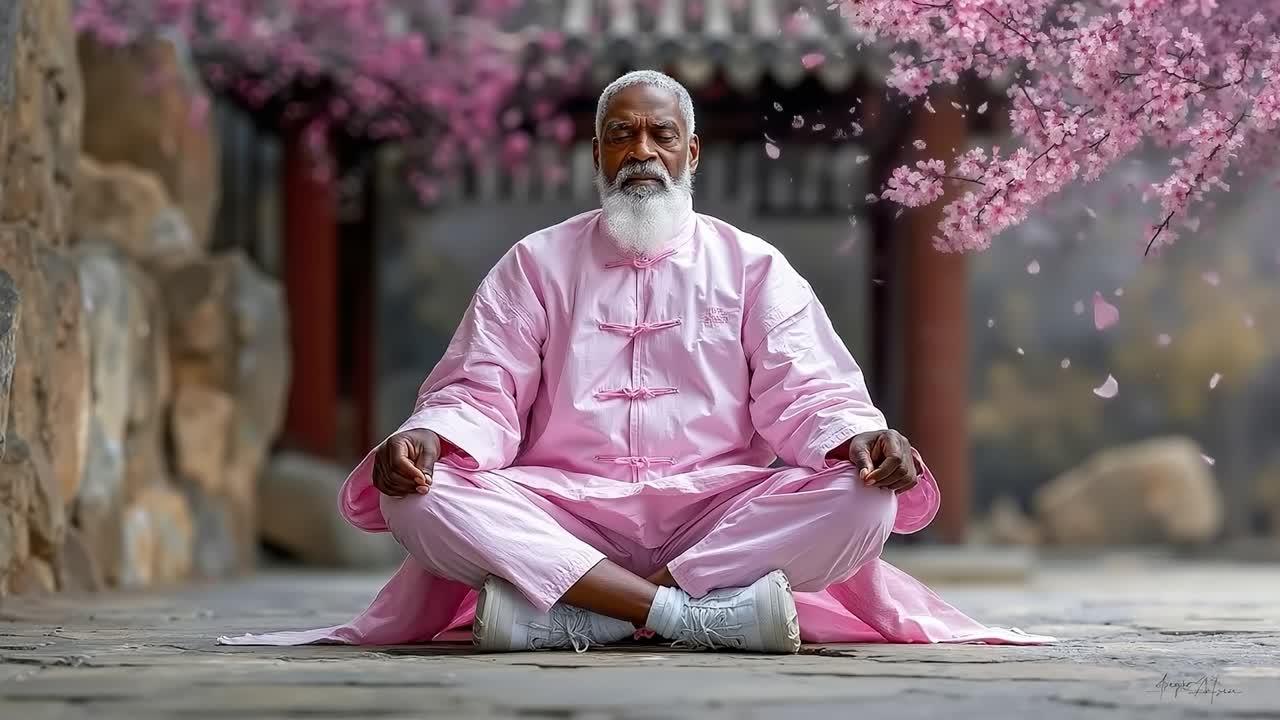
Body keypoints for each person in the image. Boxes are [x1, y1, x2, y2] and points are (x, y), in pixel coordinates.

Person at [221, 71, 1053, 653]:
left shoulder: (753, 267)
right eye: (621, 135)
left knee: (862, 500)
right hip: (561, 510)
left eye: (662, 135)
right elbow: (482, 390)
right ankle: (688, 617)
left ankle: (590, 611)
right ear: (598, 157)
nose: (642, 150)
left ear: (692, 156)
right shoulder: (535, 264)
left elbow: (807, 390)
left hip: (714, 514)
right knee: (420, 499)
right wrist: (431, 439)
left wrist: (859, 438)